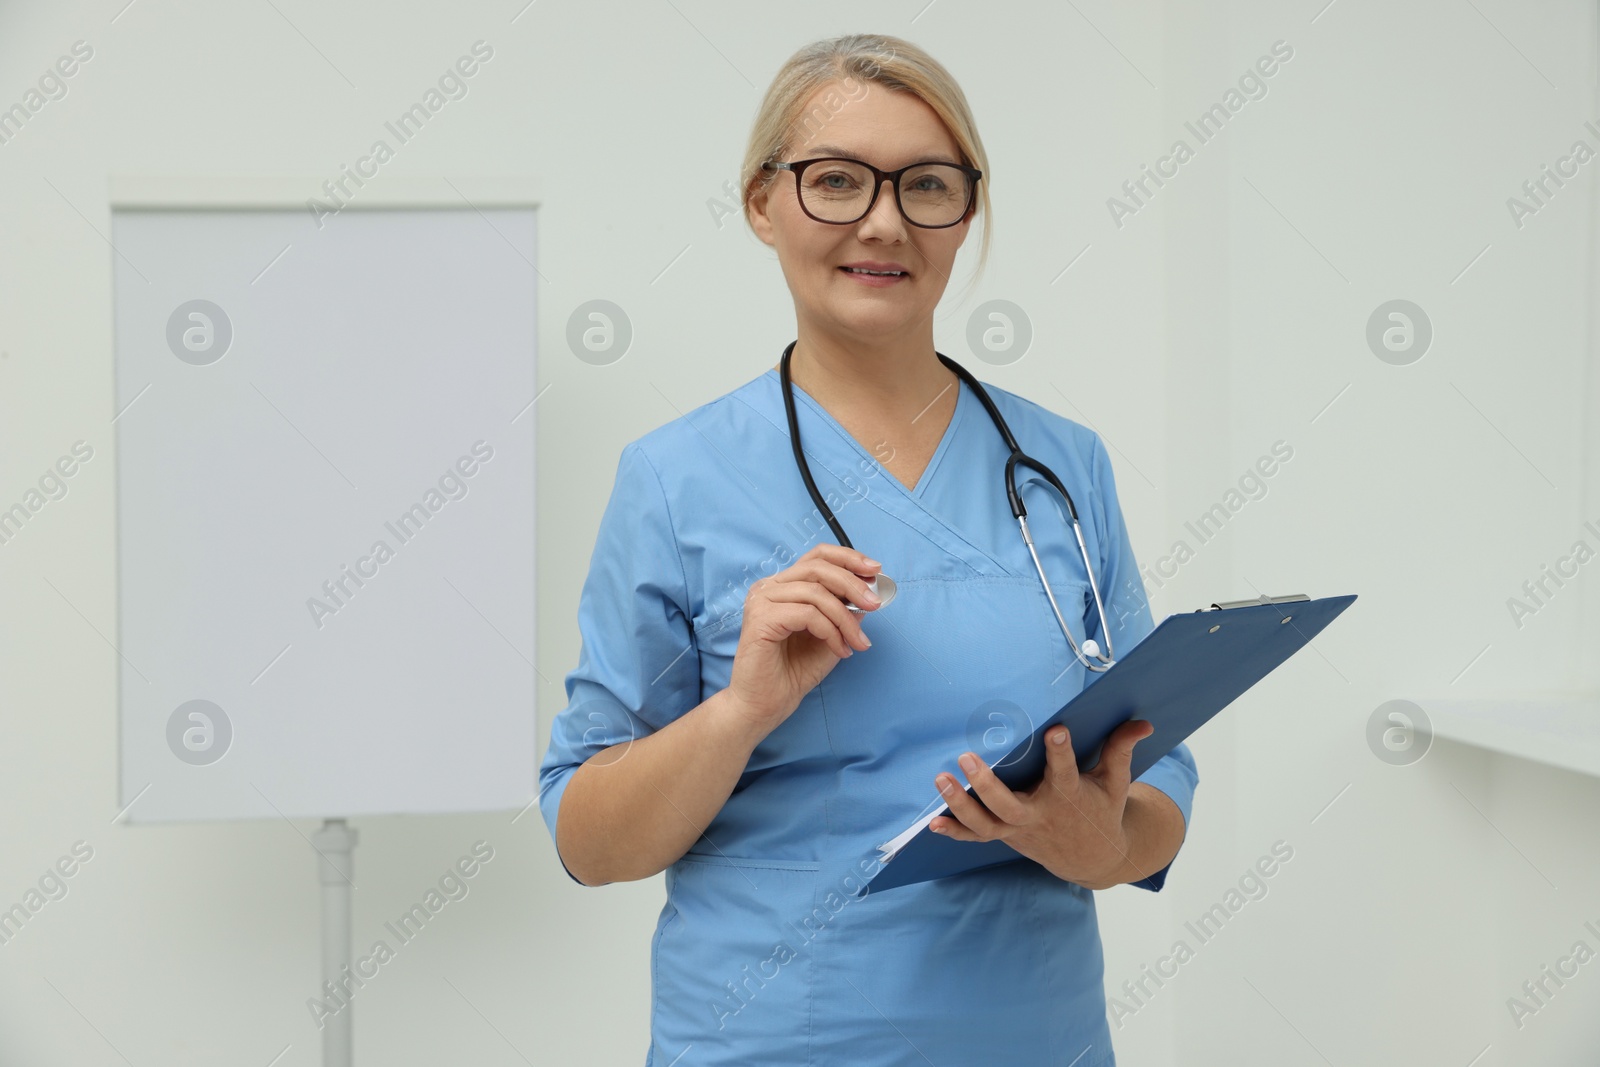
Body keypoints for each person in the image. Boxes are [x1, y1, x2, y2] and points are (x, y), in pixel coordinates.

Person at [538, 33, 1199, 1067]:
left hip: (1037, 1036)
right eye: (837, 181)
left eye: (926, 184)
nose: (884, 220)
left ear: (965, 211)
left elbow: (1159, 787)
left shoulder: (1062, 465)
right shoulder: (677, 479)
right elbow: (587, 837)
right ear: (761, 202)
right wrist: (742, 709)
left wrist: (1102, 845)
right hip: (771, 1038)